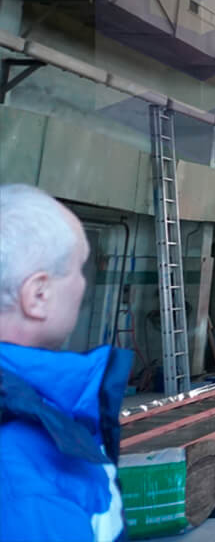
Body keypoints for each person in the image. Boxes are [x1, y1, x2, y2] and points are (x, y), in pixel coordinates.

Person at [0, 184, 130, 542]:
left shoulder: (33, 412)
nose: (82, 284)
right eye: (77, 269)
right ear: (38, 294)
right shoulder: (23, 476)